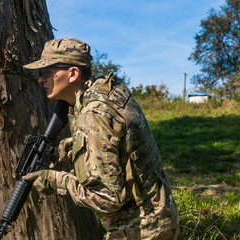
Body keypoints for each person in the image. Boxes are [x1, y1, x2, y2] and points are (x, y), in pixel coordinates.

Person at [23, 38, 179, 240]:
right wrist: (72, 149)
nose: (41, 79)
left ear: (73, 74)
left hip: (139, 229)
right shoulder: (109, 91)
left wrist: (56, 180)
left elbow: (108, 198)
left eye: (46, 72)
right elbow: (120, 143)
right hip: (160, 216)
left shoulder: (93, 115)